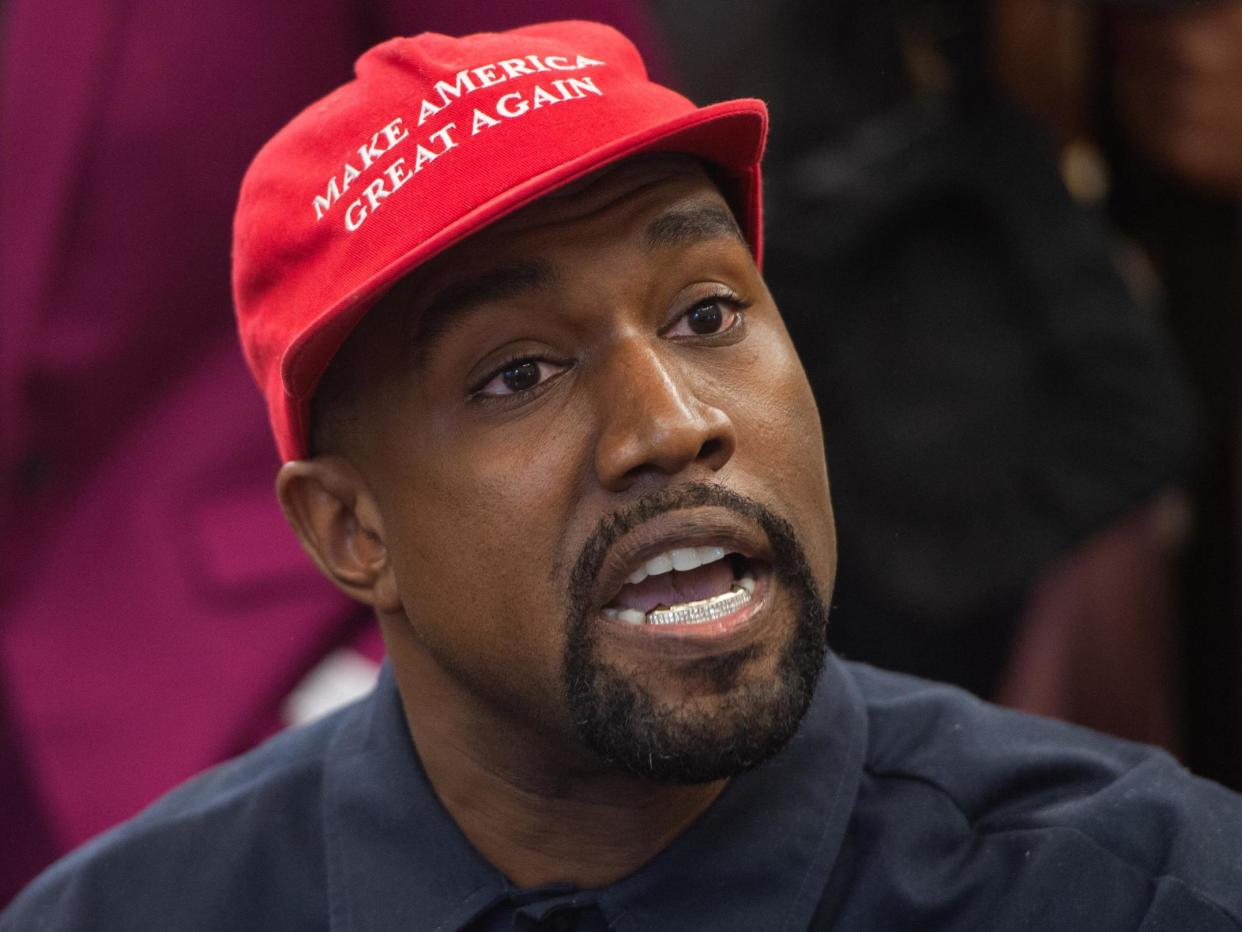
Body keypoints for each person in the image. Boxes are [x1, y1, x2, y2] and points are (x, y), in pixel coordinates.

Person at [5, 20, 1242, 931]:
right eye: (518, 375)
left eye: (707, 314)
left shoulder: (1142, 887)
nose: (670, 423)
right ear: (348, 527)